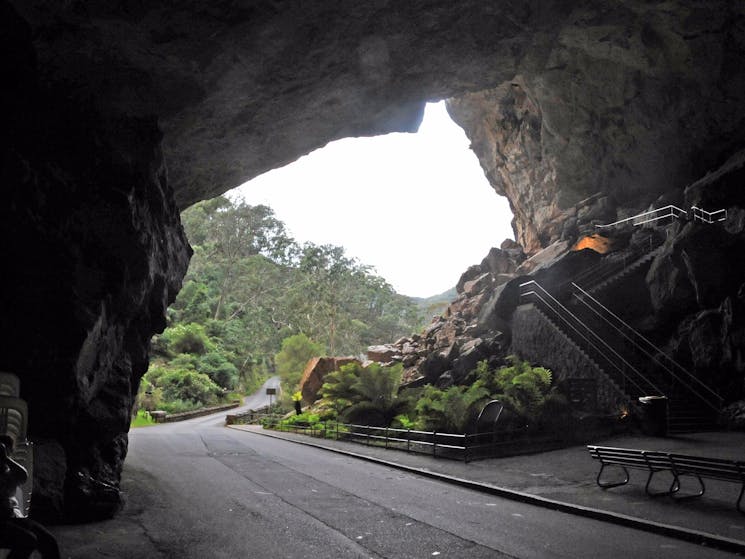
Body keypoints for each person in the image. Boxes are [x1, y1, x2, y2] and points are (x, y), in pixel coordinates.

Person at [0, 435, 60, 559]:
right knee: (28, 540)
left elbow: (22, 476)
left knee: (49, 541)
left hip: (12, 518)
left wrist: (5, 459)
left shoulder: (8, 472)